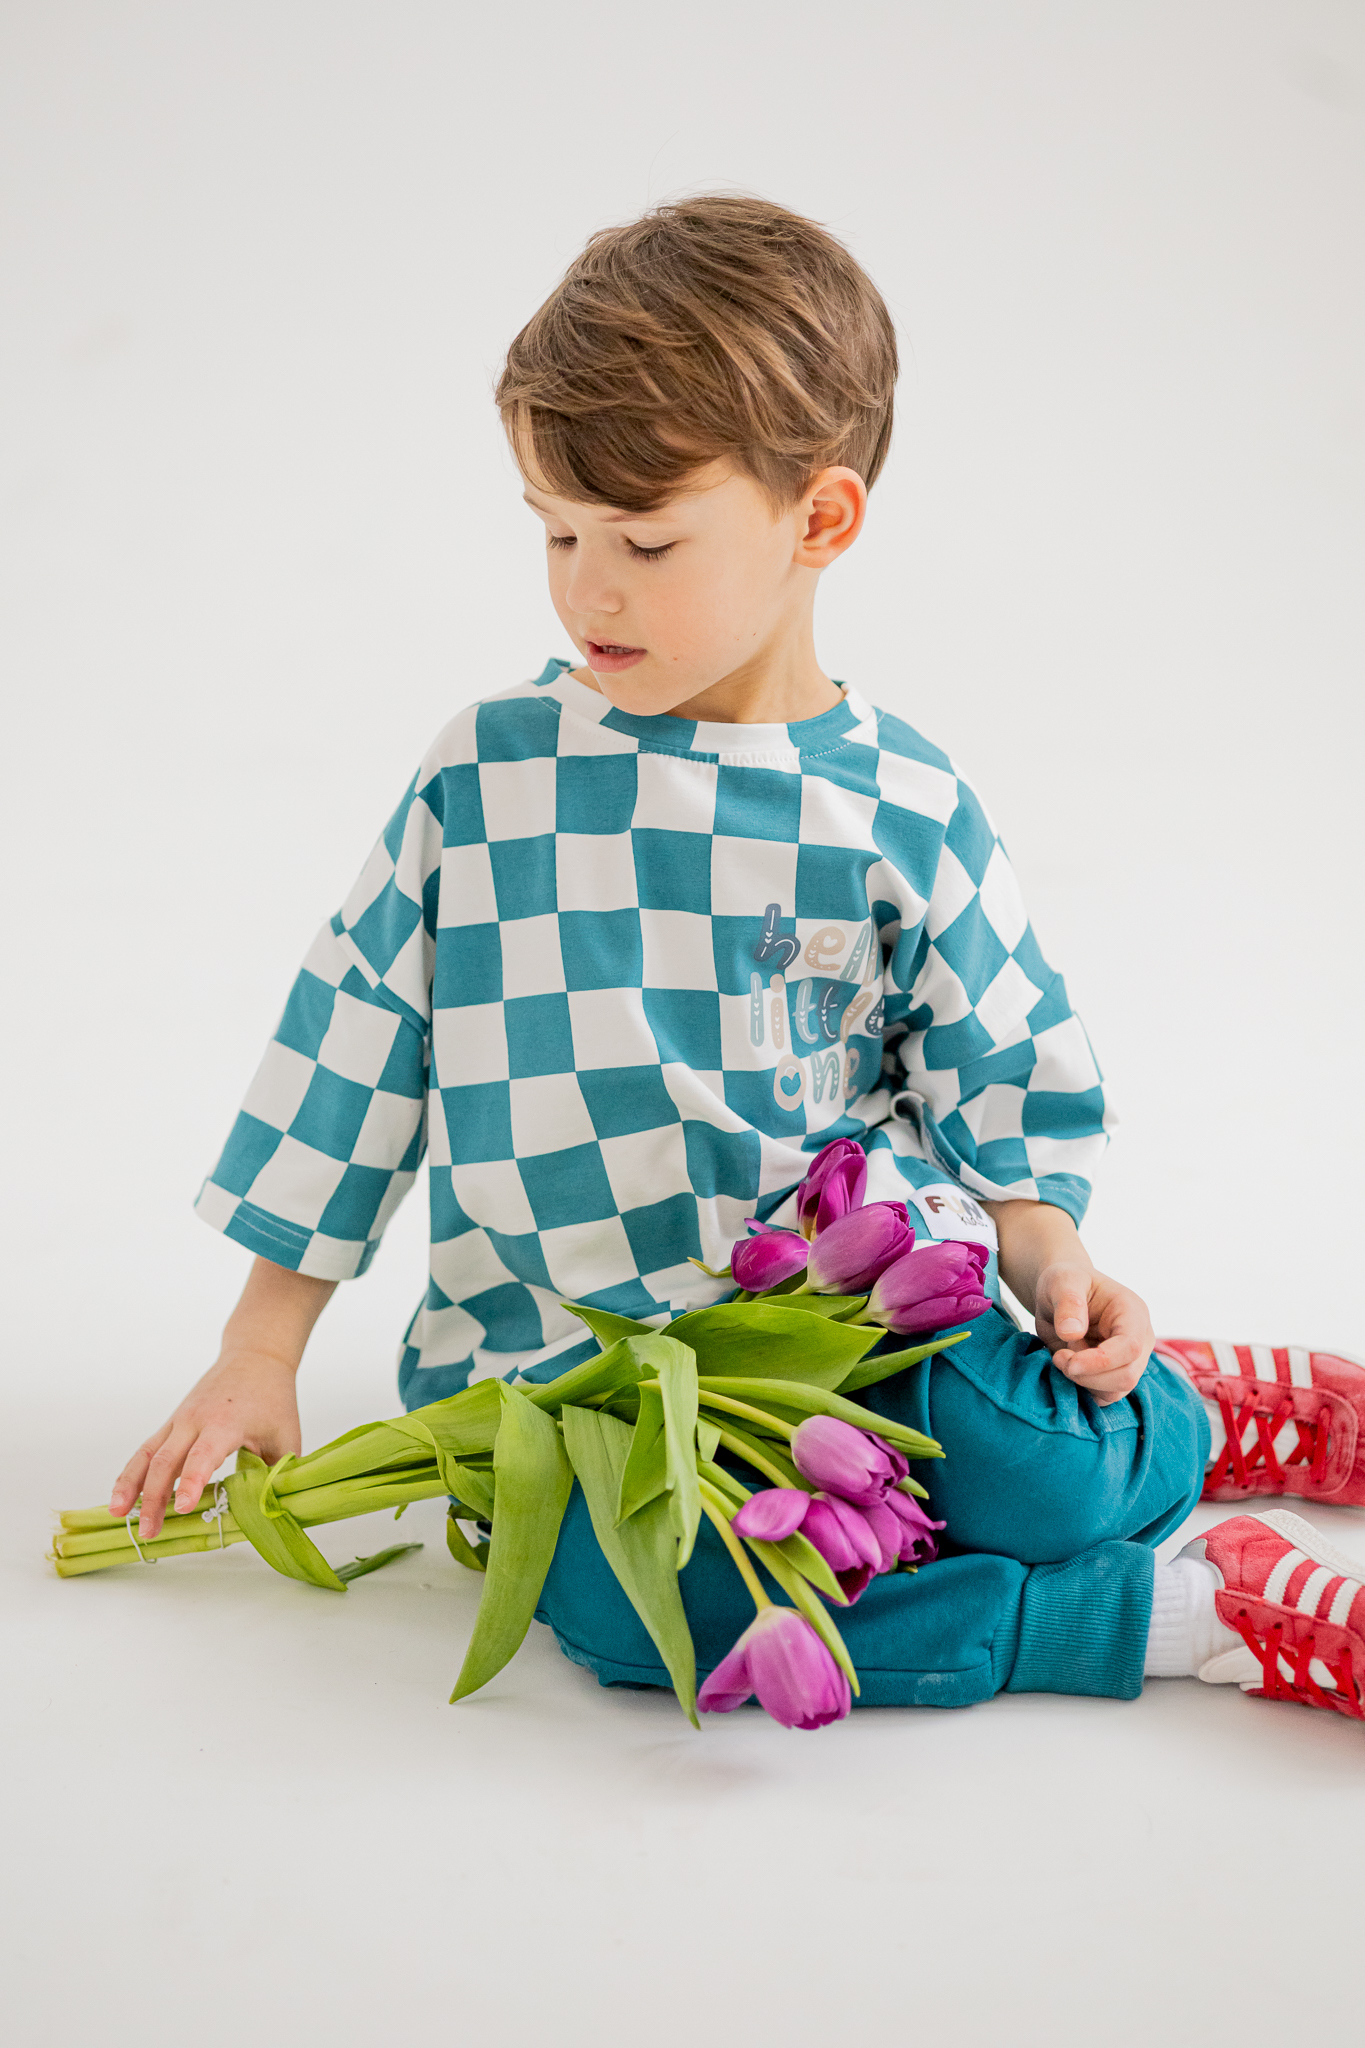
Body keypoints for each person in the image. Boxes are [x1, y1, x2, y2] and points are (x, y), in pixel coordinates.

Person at [110, 195, 1365, 1725]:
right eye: (555, 530)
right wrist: (259, 1350)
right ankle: (1180, 1611)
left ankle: (1191, 1419)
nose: (586, 588)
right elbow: (353, 1048)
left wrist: (1052, 1264)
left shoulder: (901, 801)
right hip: (571, 1384)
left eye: (643, 540)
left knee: (1053, 1472)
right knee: (631, 1618)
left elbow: (991, 1068)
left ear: (817, 522)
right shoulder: (488, 775)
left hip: (853, 1332)